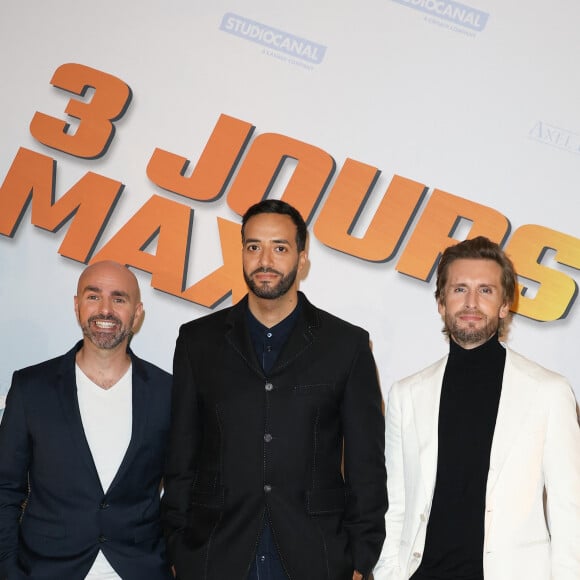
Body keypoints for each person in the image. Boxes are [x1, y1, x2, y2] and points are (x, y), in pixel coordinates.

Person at [162, 199, 387, 580]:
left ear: (302, 259)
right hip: (216, 555)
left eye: (279, 248)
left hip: (316, 556)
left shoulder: (346, 346)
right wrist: (176, 544)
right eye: (254, 247)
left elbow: (367, 466)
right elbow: (181, 457)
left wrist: (361, 556)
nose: (265, 260)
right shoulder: (197, 342)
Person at [373, 236, 580, 580]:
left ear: (504, 305)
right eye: (459, 289)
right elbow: (395, 502)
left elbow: (570, 509)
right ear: (440, 302)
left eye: (485, 290)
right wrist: (389, 573)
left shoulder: (549, 391)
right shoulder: (406, 394)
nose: (471, 302)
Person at [0, 261, 173, 580]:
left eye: (119, 299)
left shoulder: (169, 393)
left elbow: (183, 491)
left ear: (137, 313)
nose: (105, 310)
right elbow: (5, 488)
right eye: (94, 297)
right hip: (46, 570)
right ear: (77, 305)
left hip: (140, 569)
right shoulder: (31, 388)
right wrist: (9, 570)